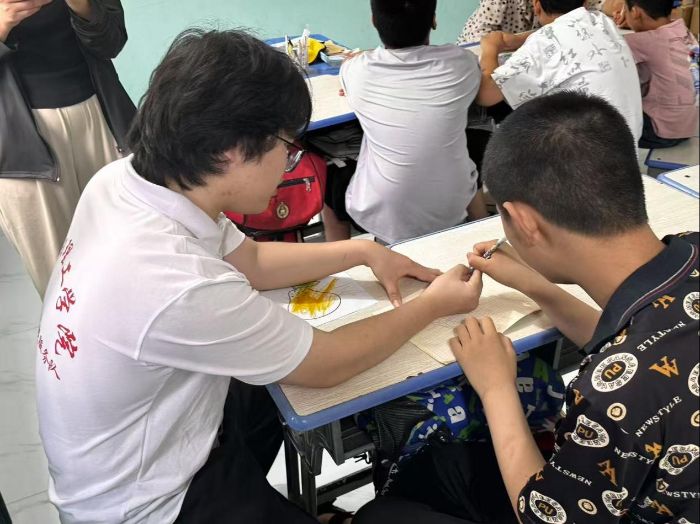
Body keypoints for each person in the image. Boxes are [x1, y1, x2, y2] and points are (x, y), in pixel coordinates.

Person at [34, 28, 484, 523]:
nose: (289, 165)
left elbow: (249, 262)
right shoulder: (175, 280)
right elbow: (326, 363)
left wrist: (362, 251)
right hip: (149, 506)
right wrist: (433, 305)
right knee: (307, 387)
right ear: (230, 150)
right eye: (287, 147)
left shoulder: (123, 181)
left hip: (151, 441)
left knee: (271, 386)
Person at [355, 91, 699, 523]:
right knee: (439, 469)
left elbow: (542, 516)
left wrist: (496, 387)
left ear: (523, 221)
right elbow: (649, 340)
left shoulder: (612, 398)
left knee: (378, 517)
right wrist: (536, 285)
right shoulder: (689, 250)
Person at [0, 0, 135, 298]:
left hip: (102, 118)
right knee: (63, 283)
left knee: (133, 257)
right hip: (20, 149)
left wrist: (83, 6)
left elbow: (112, 41)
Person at [322, 0, 483, 245]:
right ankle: (482, 227)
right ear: (434, 20)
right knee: (463, 144)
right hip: (453, 204)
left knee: (327, 175)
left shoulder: (356, 70)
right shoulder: (463, 63)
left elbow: (350, 69)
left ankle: (341, 255)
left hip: (386, 215)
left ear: (374, 21)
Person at [475, 0, 644, 145]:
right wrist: (517, 40)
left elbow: (486, 94)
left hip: (580, 163)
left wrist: (490, 49)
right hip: (626, 152)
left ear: (536, 5)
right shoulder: (600, 21)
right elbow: (562, 29)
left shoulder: (542, 43)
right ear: (585, 3)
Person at [622, 0, 699, 149]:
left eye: (625, 11)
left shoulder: (646, 40)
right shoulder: (683, 30)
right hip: (687, 126)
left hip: (659, 131)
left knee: (597, 121)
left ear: (635, 12)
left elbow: (608, 49)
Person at [456, 0, 610, 44]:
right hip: (487, 55)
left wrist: (618, 9)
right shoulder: (497, 2)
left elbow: (604, 5)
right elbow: (478, 43)